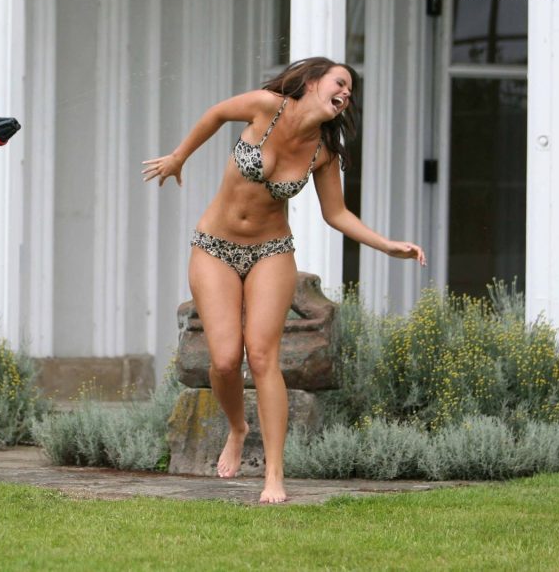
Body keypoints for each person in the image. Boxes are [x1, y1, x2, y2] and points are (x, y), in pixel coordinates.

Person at [142, 57, 425, 503]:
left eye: (350, 90)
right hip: (214, 246)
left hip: (271, 251)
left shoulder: (323, 152)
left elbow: (337, 214)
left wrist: (386, 245)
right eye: (340, 82)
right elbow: (216, 113)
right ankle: (238, 427)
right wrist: (179, 157)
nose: (346, 92)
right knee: (224, 360)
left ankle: (274, 474)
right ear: (312, 82)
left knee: (262, 356)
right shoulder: (266, 106)